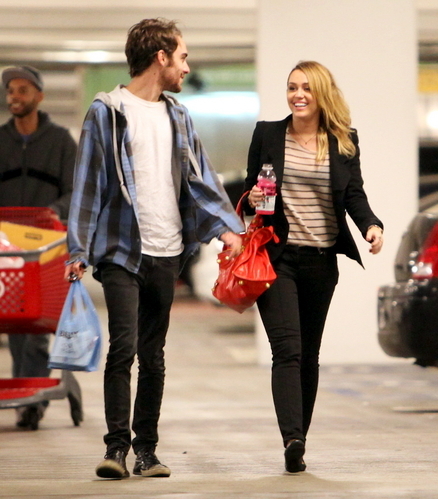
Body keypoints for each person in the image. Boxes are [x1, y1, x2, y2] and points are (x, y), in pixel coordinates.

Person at [64, 18, 244, 480]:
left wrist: (227, 229)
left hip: (168, 250)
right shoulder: (107, 112)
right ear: (160, 57)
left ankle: (147, 450)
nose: (187, 67)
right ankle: (116, 449)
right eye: (182, 57)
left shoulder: (178, 116)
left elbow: (200, 179)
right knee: (122, 347)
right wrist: (78, 249)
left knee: (154, 353)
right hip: (122, 249)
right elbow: (88, 183)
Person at [243, 61, 384, 474]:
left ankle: (297, 443)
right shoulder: (268, 134)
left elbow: (354, 194)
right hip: (278, 258)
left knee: (309, 356)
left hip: (322, 263)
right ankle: (292, 437)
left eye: (306, 88)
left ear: (322, 94)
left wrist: (371, 226)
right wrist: (251, 199)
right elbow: (253, 187)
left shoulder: (343, 140)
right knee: (287, 350)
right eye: (291, 87)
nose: (297, 95)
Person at [0, 65, 77, 430]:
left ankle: (31, 399)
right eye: (11, 91)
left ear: (39, 96)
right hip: (7, 248)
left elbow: (77, 191)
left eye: (22, 90)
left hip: (46, 248)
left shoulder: (60, 141)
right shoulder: (0, 141)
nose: (15, 96)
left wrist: (54, 212)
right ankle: (26, 395)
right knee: (15, 324)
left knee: (37, 324)